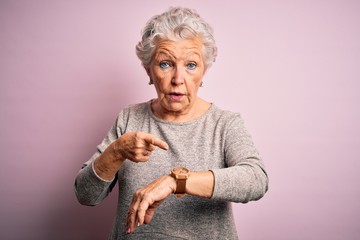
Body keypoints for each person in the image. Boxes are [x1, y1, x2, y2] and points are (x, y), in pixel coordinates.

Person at [74, 6, 268, 240]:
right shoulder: (129, 118)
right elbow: (86, 195)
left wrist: (177, 181)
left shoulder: (224, 124)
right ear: (148, 70)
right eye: (165, 64)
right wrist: (116, 151)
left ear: (203, 71)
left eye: (191, 65)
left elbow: (256, 179)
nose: (178, 79)